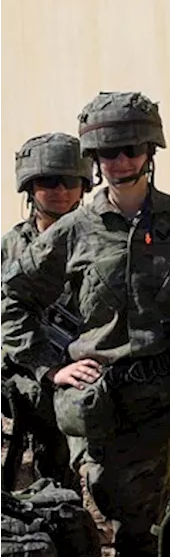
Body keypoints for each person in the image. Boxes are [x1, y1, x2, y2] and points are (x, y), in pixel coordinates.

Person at [0, 92, 170, 557]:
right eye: (109, 152)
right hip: (117, 401)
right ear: (95, 159)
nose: (121, 161)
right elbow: (12, 301)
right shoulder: (73, 232)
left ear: (151, 153)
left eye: (132, 150)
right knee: (135, 541)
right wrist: (52, 368)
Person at [0, 133, 91, 490]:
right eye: (48, 181)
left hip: (82, 378)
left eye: (70, 181)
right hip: (20, 380)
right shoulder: (9, 250)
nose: (60, 190)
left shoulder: (102, 242)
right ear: (29, 186)